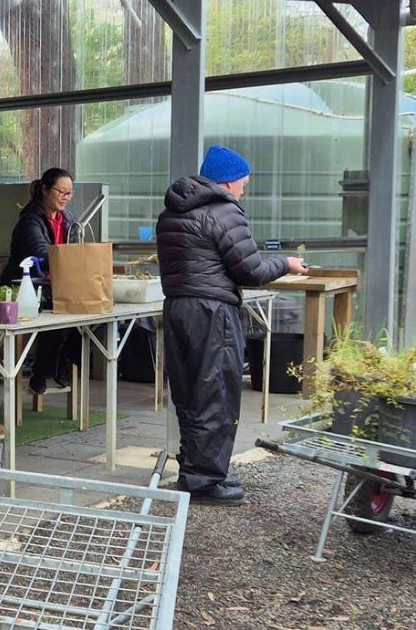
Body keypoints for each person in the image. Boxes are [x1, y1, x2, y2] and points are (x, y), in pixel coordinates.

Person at [157, 145, 307, 505]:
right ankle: (206, 481)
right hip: (212, 314)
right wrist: (285, 263)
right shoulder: (223, 212)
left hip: (178, 309)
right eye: (243, 183)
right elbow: (251, 271)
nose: (244, 190)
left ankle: (196, 469)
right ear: (229, 182)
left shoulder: (171, 213)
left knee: (190, 393)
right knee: (216, 394)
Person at [2, 168, 82, 394]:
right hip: (25, 284)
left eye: (70, 193)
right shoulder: (30, 220)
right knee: (57, 309)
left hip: (54, 284)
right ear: (45, 190)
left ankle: (62, 364)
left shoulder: (68, 219)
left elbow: (76, 250)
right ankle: (43, 369)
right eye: (61, 192)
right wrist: (71, 260)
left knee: (84, 313)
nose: (65, 197)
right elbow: (41, 255)